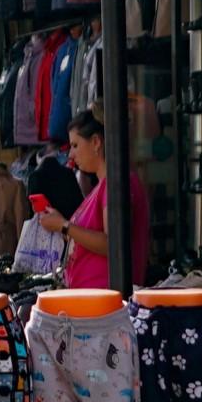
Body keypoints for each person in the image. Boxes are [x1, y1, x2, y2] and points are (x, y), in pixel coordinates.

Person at [61, 110, 148, 288]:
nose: (71, 154)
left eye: (75, 145)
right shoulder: (103, 186)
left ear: (96, 142)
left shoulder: (116, 184)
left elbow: (113, 243)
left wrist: (64, 226)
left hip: (105, 301)